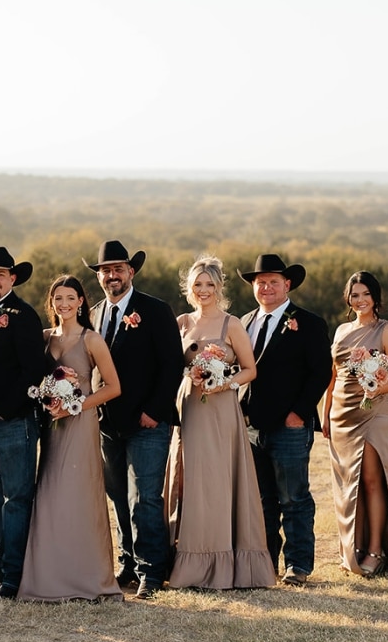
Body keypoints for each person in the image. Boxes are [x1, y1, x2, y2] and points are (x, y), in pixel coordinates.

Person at [164, 257, 272, 591]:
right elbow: (170, 366)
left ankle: (225, 562)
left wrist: (224, 382)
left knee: (218, 480)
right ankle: (187, 561)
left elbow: (250, 369)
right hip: (190, 408)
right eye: (198, 284)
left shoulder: (232, 324)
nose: (203, 290)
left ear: (219, 288)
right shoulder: (181, 322)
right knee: (190, 478)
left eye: (209, 284)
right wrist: (189, 374)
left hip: (222, 410)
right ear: (189, 289)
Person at [89, 240, 185, 599]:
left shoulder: (155, 310)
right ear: (99, 276)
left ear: (131, 271)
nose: (111, 275)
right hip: (107, 424)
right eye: (105, 270)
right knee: (116, 495)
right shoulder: (95, 313)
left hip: (148, 422)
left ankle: (151, 570)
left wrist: (154, 411)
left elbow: (171, 365)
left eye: (118, 269)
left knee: (146, 497)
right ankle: (127, 562)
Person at [19, 275, 122, 602]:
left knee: (79, 495)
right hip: (52, 428)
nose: (63, 304)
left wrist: (75, 405)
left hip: (81, 425)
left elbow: (113, 387)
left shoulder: (91, 340)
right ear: (51, 304)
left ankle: (87, 578)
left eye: (70, 298)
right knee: (50, 496)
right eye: (57, 299)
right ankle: (49, 577)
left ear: (81, 302)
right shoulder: (45, 339)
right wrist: (50, 401)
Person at [239, 253, 330, 587]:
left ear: (287, 284)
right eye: (260, 282)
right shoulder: (245, 322)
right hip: (251, 426)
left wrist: (299, 413)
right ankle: (266, 563)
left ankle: (298, 565)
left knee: (294, 498)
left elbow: (321, 372)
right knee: (262, 500)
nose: (266, 288)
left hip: (290, 425)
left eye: (273, 282)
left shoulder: (307, 322)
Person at [0, 246, 49, 600]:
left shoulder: (24, 315)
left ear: (13, 278)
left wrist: (5, 411)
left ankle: (15, 576)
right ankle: (0, 567)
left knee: (16, 498)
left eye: (0, 274)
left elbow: (34, 370)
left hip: (14, 422)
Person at [321, 271, 388, 577]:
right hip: (342, 414)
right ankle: (352, 549)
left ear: (376, 297)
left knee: (371, 481)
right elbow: (334, 375)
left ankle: (375, 550)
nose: (360, 300)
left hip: (374, 411)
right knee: (347, 484)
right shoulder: (342, 330)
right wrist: (326, 410)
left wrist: (377, 388)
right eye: (354, 295)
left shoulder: (386, 331)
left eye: (365, 294)